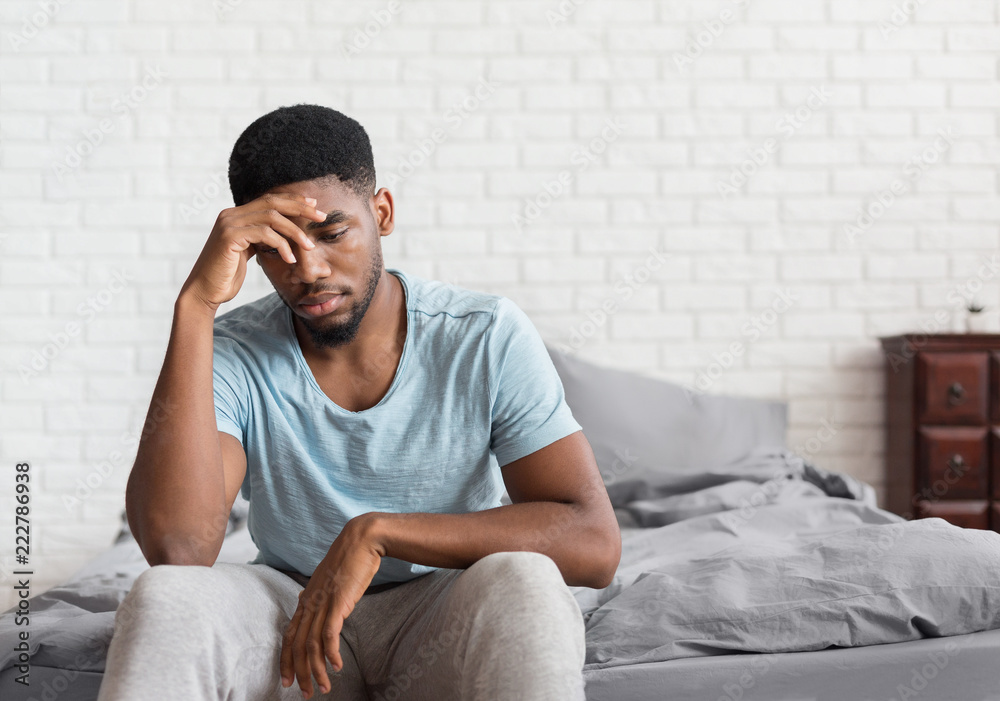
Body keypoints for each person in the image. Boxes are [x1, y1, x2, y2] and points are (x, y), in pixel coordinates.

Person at [97, 104, 621, 701]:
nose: (308, 270)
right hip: (292, 617)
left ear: (382, 213)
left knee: (525, 578)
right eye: (278, 248)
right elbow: (180, 549)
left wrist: (377, 533)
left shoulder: (484, 334)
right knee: (163, 594)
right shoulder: (234, 352)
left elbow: (593, 542)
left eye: (330, 233)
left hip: (444, 606)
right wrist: (195, 305)